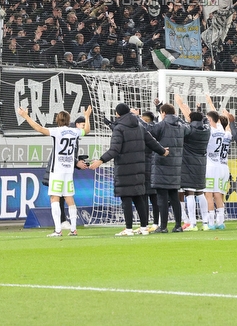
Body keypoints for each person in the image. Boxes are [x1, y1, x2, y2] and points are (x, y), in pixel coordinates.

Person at [89, 103, 167, 236]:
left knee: (126, 199)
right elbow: (151, 141)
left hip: (124, 168)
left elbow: (114, 150)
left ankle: (129, 229)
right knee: (139, 198)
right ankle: (143, 228)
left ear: (118, 114)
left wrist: (101, 160)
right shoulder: (140, 126)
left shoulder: (119, 128)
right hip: (139, 168)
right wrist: (162, 151)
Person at [18, 105, 91, 236]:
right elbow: (87, 130)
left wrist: (25, 116)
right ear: (69, 121)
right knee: (69, 197)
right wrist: (87, 116)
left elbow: (39, 128)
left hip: (57, 170)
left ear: (57, 120)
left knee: (54, 198)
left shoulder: (57, 132)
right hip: (69, 170)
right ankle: (73, 229)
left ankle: (58, 230)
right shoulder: (74, 132)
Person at [150, 102, 189, 233]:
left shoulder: (162, 125)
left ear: (164, 114)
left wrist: (137, 118)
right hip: (176, 166)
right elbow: (188, 128)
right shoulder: (181, 126)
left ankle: (163, 226)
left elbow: (149, 131)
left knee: (161, 197)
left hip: (162, 165)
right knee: (174, 197)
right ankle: (178, 225)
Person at [176, 95, 210, 231]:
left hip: (189, 163)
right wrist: (198, 109)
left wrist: (181, 106)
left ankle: (192, 223)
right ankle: (206, 223)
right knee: (200, 192)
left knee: (189, 193)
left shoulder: (189, 130)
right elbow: (205, 119)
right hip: (201, 164)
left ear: (190, 120)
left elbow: (180, 124)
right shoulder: (207, 130)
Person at [201, 105, 232, 230]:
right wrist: (227, 116)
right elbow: (226, 125)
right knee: (219, 195)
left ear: (209, 119)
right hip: (223, 166)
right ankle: (221, 222)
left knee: (209, 195)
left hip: (210, 166)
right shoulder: (225, 133)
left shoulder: (209, 132)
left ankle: (211, 223)